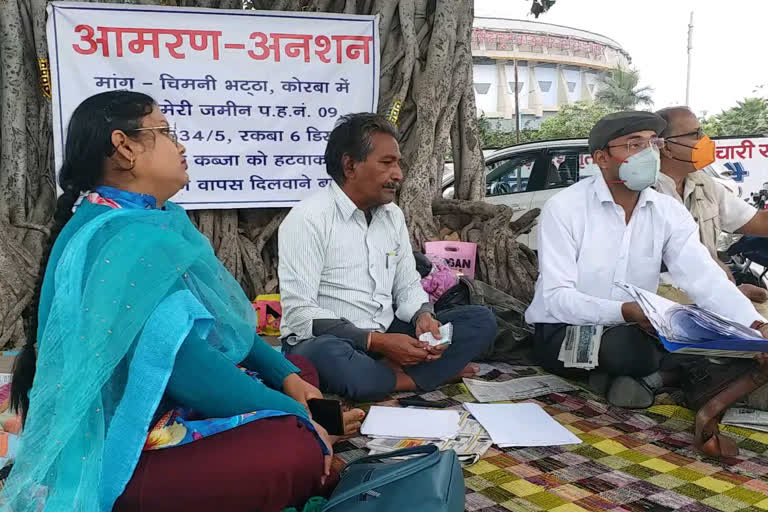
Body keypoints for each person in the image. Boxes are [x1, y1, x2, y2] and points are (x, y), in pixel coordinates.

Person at [4, 91, 362, 512]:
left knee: (300, 369)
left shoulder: (153, 218)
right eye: (166, 132)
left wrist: (285, 377)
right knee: (293, 446)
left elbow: (226, 325)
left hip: (167, 404)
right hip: (122, 443)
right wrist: (304, 417)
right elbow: (185, 366)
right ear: (125, 148)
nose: (181, 145)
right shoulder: (119, 237)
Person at [525, 111, 768, 409]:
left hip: (644, 325)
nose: (649, 153)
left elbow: (705, 278)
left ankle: (637, 379)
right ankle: (663, 376)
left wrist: (754, 325)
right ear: (602, 158)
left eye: (653, 143)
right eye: (634, 145)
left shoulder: (668, 212)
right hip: (566, 329)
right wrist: (627, 311)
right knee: (628, 350)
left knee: (719, 335)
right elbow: (555, 298)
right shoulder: (564, 208)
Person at [278, 113, 497, 401]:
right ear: (349, 165)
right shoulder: (308, 219)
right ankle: (409, 377)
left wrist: (423, 317)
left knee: (481, 320)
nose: (398, 174)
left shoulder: (392, 216)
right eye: (387, 163)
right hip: (334, 341)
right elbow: (300, 314)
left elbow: (407, 282)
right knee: (327, 356)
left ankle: (385, 376)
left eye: (398, 163)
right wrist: (377, 342)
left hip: (387, 329)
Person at [655, 106, 768, 302]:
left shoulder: (704, 184)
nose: (705, 140)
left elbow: (759, 222)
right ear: (666, 147)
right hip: (665, 304)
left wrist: (731, 293)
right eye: (695, 134)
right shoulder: (645, 193)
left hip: (712, 299)